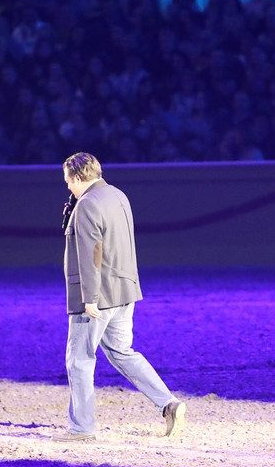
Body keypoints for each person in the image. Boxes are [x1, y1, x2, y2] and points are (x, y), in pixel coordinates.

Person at [57, 152, 186, 442]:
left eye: (68, 182)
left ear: (78, 178)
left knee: (79, 359)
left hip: (98, 296)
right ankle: (168, 404)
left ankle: (81, 428)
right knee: (122, 352)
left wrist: (88, 297)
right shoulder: (117, 195)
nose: (67, 188)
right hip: (124, 291)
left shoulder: (88, 204)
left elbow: (92, 251)